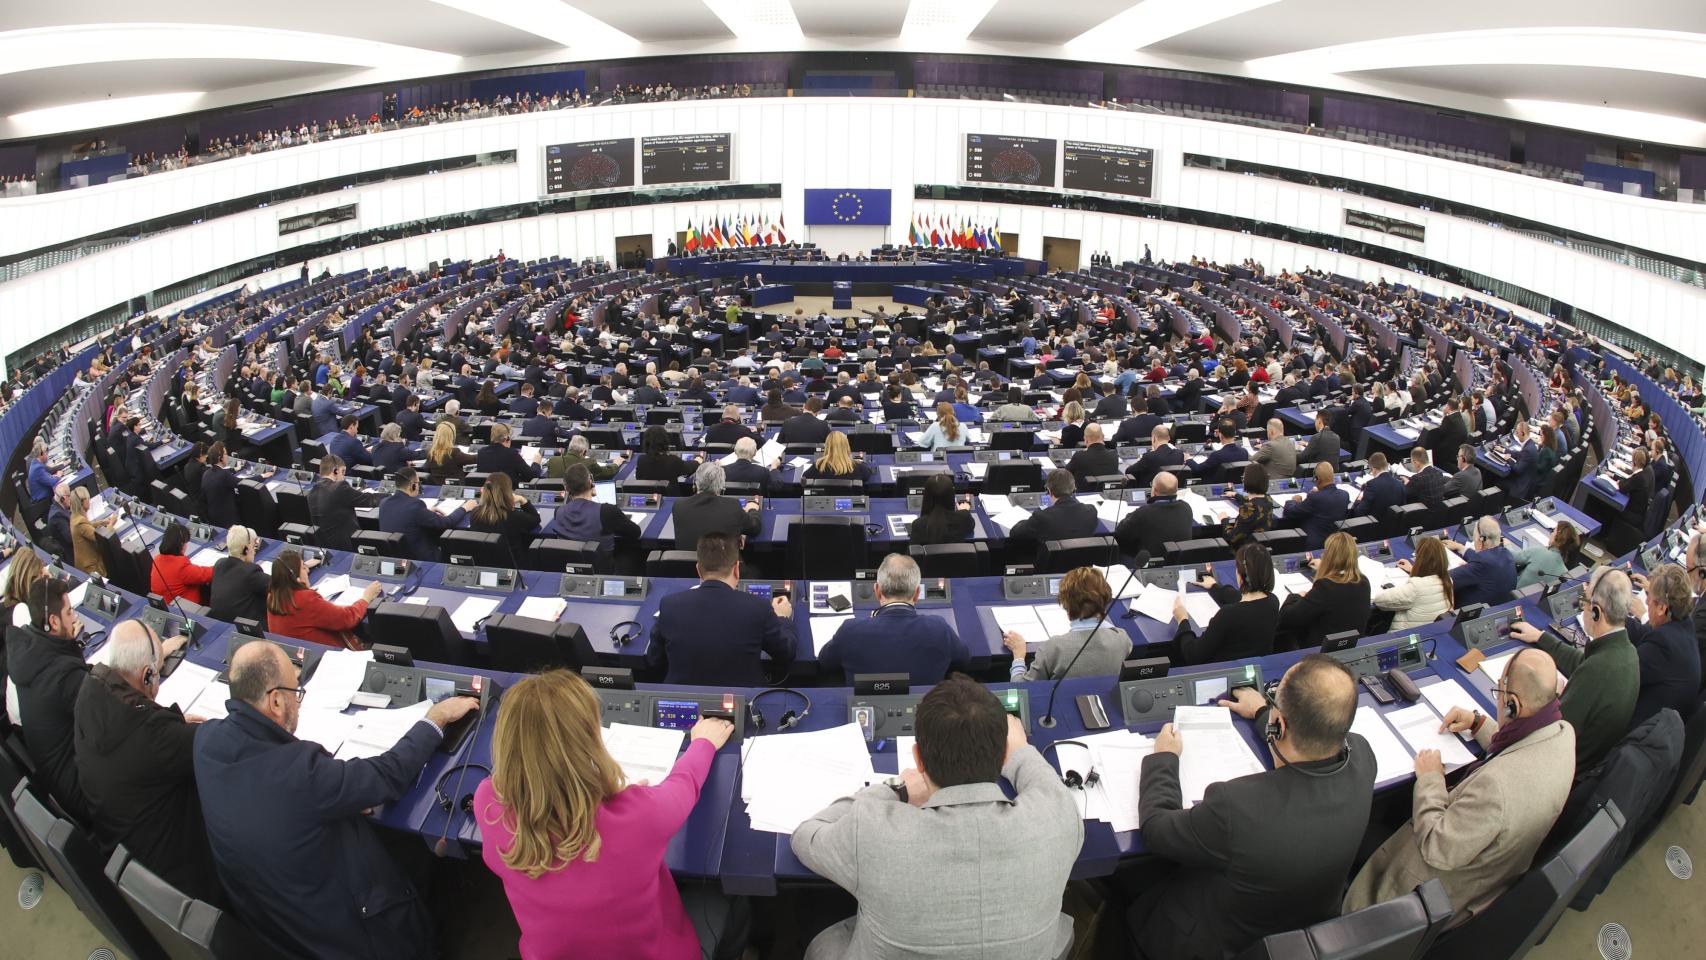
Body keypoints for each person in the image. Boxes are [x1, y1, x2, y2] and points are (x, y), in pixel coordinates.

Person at [195, 639, 478, 959]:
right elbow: (387, 775)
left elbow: (269, 797)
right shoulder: (300, 772)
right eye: (295, 692)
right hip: (346, 936)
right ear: (275, 701)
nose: (298, 703)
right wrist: (436, 718)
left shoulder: (206, 741)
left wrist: (334, 796)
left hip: (276, 926)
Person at [792, 675, 1081, 959]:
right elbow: (1046, 784)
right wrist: (1022, 752)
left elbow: (806, 836)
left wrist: (896, 790)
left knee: (818, 928)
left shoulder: (871, 830)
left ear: (917, 758)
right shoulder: (1059, 815)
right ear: (1004, 752)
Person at [474, 671, 744, 960]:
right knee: (732, 898)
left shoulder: (488, 801)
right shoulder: (637, 815)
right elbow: (684, 784)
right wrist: (703, 742)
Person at [1130, 654, 1374, 960]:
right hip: (1299, 929)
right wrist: (1261, 711)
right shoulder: (1363, 755)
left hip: (1216, 942)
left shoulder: (1236, 807)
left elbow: (1156, 829)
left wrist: (1163, 760)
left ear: (1280, 724)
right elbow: (1312, 740)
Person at [1344, 647, 1575, 922]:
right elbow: (1520, 753)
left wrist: (1431, 779)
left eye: (1499, 693)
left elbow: (1436, 847)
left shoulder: (1496, 790)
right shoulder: (1562, 734)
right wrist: (1479, 724)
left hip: (1432, 890)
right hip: (1485, 862)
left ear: (1513, 704)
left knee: (1350, 831)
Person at [73, 619, 223, 903]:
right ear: (146, 676)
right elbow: (220, 744)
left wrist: (172, 721)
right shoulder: (154, 735)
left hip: (130, 862)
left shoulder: (89, 692)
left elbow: (140, 739)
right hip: (185, 876)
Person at [1509, 566, 1639, 769]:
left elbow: (1549, 731)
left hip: (1562, 768)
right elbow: (1583, 663)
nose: (1582, 607)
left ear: (1596, 612)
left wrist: (1553, 696)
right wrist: (1541, 637)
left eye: (1585, 601)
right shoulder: (1627, 651)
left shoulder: (1597, 670)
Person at [647, 533, 796, 686]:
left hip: (683, 696)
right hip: (744, 697)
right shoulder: (758, 607)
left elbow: (654, 659)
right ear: (737, 568)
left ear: (698, 569)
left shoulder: (669, 605)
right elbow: (786, 652)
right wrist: (783, 618)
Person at [11, 578, 104, 818]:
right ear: (53, 621)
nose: (74, 617)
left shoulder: (31, 649)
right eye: (69, 611)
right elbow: (112, 716)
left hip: (60, 781)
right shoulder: (62, 676)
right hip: (84, 793)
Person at [817, 554, 973, 685]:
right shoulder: (939, 628)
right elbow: (965, 660)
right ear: (917, 593)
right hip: (926, 708)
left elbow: (825, 662)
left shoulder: (850, 630)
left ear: (877, 591)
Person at [1003, 567, 1133, 680]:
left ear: (1066, 607)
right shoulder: (1122, 639)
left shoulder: (1054, 648)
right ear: (1106, 599)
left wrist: (1019, 654)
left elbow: (1022, 687)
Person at [1172, 542, 1280, 666]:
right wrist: (1214, 586)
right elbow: (1240, 598)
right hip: (1255, 668)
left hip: (1221, 671)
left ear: (1240, 575)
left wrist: (1183, 621)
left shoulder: (1228, 614)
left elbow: (1193, 655)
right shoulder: (1273, 601)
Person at [1622, 564, 1701, 726]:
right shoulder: (1684, 626)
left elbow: (1618, 676)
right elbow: (1648, 635)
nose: (1646, 601)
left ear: (1662, 608)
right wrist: (1617, 618)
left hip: (1635, 733)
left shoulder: (1662, 645)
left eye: (1649, 597)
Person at [266, 549, 381, 650]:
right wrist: (366, 598)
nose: (307, 571)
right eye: (303, 567)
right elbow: (347, 619)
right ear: (295, 577)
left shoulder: (272, 596)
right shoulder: (305, 599)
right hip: (327, 656)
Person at [1279, 532, 1372, 650]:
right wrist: (1326, 568)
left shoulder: (1326, 587)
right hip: (1350, 648)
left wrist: (1295, 596)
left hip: (1321, 651)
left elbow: (1288, 618)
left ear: (1328, 556)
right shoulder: (1363, 582)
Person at [540, 464, 644, 566]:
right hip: (603, 570)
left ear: (566, 488)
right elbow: (635, 532)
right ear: (591, 482)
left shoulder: (559, 512)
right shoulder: (607, 511)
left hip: (570, 567)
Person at [378, 466, 476, 563]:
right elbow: (446, 523)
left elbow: (403, 515)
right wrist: (465, 508)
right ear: (413, 486)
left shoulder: (384, 502)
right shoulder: (415, 506)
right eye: (418, 483)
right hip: (422, 560)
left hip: (396, 559)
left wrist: (425, 512)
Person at [1008, 470, 1098, 564]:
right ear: (1073, 489)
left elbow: (1015, 533)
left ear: (1049, 491)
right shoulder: (1091, 511)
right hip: (1080, 571)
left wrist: (1027, 520)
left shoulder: (1042, 516)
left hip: (1049, 570)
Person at [670, 462, 761, 552]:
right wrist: (752, 509)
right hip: (722, 565)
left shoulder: (679, 506)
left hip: (686, 565)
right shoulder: (732, 506)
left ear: (696, 482)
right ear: (722, 485)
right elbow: (754, 528)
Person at [1374, 536, 1456, 630]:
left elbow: (1379, 600)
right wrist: (1413, 570)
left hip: (1406, 636)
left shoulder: (1416, 587)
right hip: (1430, 632)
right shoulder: (1448, 580)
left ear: (1420, 559)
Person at [308, 453, 385, 553]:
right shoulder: (339, 487)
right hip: (348, 546)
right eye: (343, 472)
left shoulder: (311, 492)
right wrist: (391, 496)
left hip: (327, 548)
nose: (343, 477)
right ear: (335, 471)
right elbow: (368, 500)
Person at [1115, 470, 1192, 560]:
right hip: (1178, 562)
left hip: (1147, 564)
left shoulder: (1144, 513)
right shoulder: (1186, 508)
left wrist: (1131, 515)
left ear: (1154, 491)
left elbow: (1121, 533)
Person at [468, 472, 541, 563]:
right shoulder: (513, 516)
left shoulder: (475, 513)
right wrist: (523, 500)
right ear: (508, 492)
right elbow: (536, 519)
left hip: (484, 563)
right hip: (513, 566)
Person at [209, 524, 272, 628]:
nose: (254, 550)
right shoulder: (250, 572)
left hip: (222, 625)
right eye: (253, 547)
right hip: (249, 630)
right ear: (246, 550)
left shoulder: (219, 564)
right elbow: (280, 584)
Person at [1445, 516, 1517, 607]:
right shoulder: (1506, 554)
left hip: (1473, 613)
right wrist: (1461, 548)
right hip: (1499, 606)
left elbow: (1446, 578)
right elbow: (1486, 558)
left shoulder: (1480, 563)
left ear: (1480, 540)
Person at [1284, 462, 1350, 551]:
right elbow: (1328, 500)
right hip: (1333, 544)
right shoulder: (1345, 495)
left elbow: (1290, 512)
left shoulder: (1315, 498)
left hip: (1312, 546)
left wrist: (1293, 500)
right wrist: (1320, 492)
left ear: (1316, 479)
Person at [150, 520, 214, 606]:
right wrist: (223, 564)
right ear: (181, 544)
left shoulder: (157, 560)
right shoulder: (180, 566)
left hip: (168, 606)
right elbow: (207, 574)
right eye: (186, 542)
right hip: (189, 610)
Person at [907, 474, 974, 546]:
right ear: (951, 496)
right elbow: (970, 526)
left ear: (927, 496)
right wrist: (964, 511)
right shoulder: (964, 517)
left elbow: (913, 551)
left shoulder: (919, 525)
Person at [1512, 520, 1579, 589]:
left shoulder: (1539, 551)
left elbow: (1512, 557)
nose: (1551, 533)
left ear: (1558, 537)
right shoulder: (1564, 572)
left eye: (1553, 531)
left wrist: (1507, 545)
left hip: (1512, 593)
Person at [68, 485, 117, 576]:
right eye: (88, 498)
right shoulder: (80, 523)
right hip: (91, 567)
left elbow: (88, 526)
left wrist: (102, 522)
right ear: (83, 501)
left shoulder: (75, 516)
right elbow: (102, 539)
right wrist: (111, 524)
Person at [1223, 463, 1275, 549]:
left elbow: (1231, 538)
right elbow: (1254, 501)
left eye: (1243, 478)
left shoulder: (1248, 508)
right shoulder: (1268, 499)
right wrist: (1235, 495)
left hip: (1244, 550)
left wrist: (1224, 520)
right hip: (1260, 547)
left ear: (1247, 481)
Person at [476, 422, 541, 487]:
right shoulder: (511, 454)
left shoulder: (481, 452)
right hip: (508, 492)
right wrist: (536, 463)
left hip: (488, 493)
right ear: (507, 438)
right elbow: (532, 475)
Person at [545, 434, 625, 481]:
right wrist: (616, 464)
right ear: (584, 451)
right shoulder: (589, 463)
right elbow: (607, 473)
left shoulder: (552, 461)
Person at [802, 431, 872, 485]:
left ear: (827, 446)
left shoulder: (818, 466)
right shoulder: (858, 467)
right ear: (847, 446)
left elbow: (805, 477)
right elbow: (867, 476)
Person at [634, 425, 699, 483]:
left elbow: (638, 477)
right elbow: (688, 469)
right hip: (672, 495)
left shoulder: (641, 459)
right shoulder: (672, 460)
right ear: (665, 441)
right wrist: (697, 461)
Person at [1351, 452, 1406, 520]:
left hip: (1372, 527)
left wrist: (1359, 499)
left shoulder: (1372, 485)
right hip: (1392, 527)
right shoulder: (1400, 485)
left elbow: (1359, 512)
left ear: (1373, 469)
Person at [1064, 423, 1118, 490]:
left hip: (1082, 496)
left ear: (1085, 439)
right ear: (1103, 437)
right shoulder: (1114, 456)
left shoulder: (1079, 456)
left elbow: (1065, 474)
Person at [201, 440, 241, 526]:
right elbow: (242, 483)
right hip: (229, 519)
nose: (227, 456)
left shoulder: (206, 473)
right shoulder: (224, 475)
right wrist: (263, 476)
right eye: (226, 454)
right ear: (220, 458)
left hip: (214, 518)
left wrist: (234, 469)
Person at [1251, 418, 1298, 484]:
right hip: (1290, 482)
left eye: (1267, 431)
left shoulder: (1270, 445)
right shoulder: (1291, 442)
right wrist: (1263, 447)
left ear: (1271, 432)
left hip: (1272, 482)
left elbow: (1252, 460)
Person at [1618, 448, 1654, 519]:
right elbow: (1628, 482)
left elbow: (1623, 488)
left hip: (1633, 514)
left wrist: (1619, 482)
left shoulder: (1639, 477)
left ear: (1634, 463)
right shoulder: (1640, 474)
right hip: (1637, 512)